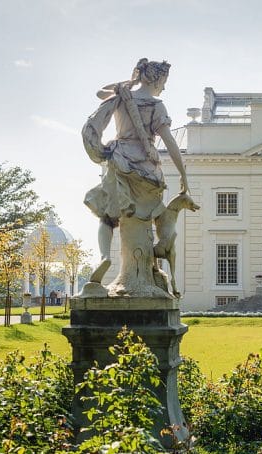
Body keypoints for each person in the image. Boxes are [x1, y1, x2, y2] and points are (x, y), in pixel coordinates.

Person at [82, 58, 191, 297]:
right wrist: (183, 174)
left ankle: (104, 257)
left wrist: (128, 83)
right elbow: (170, 142)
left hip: (120, 160)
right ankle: (148, 272)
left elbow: (100, 92)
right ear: (158, 79)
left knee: (107, 218)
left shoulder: (121, 97)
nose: (165, 87)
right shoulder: (156, 105)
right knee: (150, 220)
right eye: (164, 81)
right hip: (146, 168)